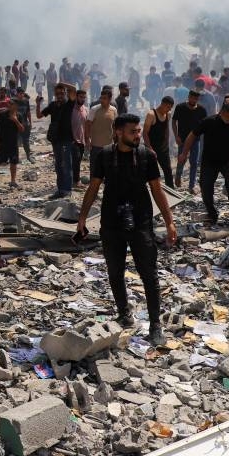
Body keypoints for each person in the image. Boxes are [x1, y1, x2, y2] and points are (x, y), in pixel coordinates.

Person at [77, 113, 178, 346]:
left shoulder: (146, 156)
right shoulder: (104, 156)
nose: (138, 135)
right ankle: (124, 314)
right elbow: (93, 187)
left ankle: (155, 325)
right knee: (115, 272)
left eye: (139, 130)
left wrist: (169, 221)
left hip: (141, 221)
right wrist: (82, 217)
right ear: (118, 132)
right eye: (133, 131)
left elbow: (157, 190)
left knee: (149, 274)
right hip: (111, 222)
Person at [178, 101, 229, 227]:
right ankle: (212, 214)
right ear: (221, 112)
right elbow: (192, 135)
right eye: (227, 116)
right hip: (209, 161)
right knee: (206, 188)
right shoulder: (209, 121)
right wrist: (184, 153)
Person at [37, 82, 78, 199]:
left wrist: (62, 83)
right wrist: (38, 104)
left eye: (61, 93)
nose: (59, 95)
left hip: (66, 139)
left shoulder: (69, 104)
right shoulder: (53, 105)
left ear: (65, 93)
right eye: (57, 93)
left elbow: (74, 89)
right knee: (59, 165)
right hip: (56, 140)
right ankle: (60, 190)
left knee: (67, 165)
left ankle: (67, 191)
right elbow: (39, 115)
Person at [172, 90, 207, 191]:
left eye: (196, 98)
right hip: (182, 139)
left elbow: (204, 125)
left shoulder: (202, 110)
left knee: (194, 162)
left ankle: (191, 185)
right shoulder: (180, 107)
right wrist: (176, 136)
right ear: (188, 97)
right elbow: (174, 122)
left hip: (196, 140)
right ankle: (178, 176)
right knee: (181, 159)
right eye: (192, 98)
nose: (194, 100)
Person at [143, 96, 174, 188]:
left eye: (170, 107)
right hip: (151, 148)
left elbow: (166, 129)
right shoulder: (151, 114)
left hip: (163, 148)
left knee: (168, 170)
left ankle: (171, 191)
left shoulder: (168, 114)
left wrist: (168, 142)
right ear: (162, 104)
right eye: (168, 107)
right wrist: (149, 148)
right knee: (149, 172)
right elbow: (145, 133)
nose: (169, 109)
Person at [0, 100, 24, 187]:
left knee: (14, 161)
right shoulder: (2, 114)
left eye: (12, 104)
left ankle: (13, 181)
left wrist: (15, 120)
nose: (9, 105)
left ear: (15, 106)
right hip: (3, 142)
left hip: (13, 143)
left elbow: (22, 129)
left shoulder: (19, 116)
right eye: (9, 104)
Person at [85, 87, 117, 171]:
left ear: (110, 99)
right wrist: (87, 140)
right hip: (96, 146)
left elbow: (115, 125)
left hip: (109, 146)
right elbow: (88, 125)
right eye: (101, 98)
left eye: (105, 98)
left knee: (108, 169)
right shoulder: (94, 109)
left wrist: (115, 137)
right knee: (95, 169)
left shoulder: (113, 110)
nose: (102, 100)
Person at [71, 89, 90, 187]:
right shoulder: (70, 108)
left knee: (77, 161)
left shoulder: (85, 110)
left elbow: (86, 126)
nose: (82, 99)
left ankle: (73, 180)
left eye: (84, 97)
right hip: (72, 140)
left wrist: (87, 140)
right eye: (80, 97)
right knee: (76, 160)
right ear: (76, 97)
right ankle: (76, 181)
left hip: (81, 140)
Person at [12, 88, 34, 162]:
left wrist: (30, 122)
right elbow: (12, 114)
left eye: (22, 93)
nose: (21, 95)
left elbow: (28, 112)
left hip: (25, 124)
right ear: (17, 94)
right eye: (20, 93)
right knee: (15, 142)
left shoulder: (26, 101)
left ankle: (28, 156)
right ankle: (15, 157)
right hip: (15, 125)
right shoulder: (13, 101)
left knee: (26, 141)